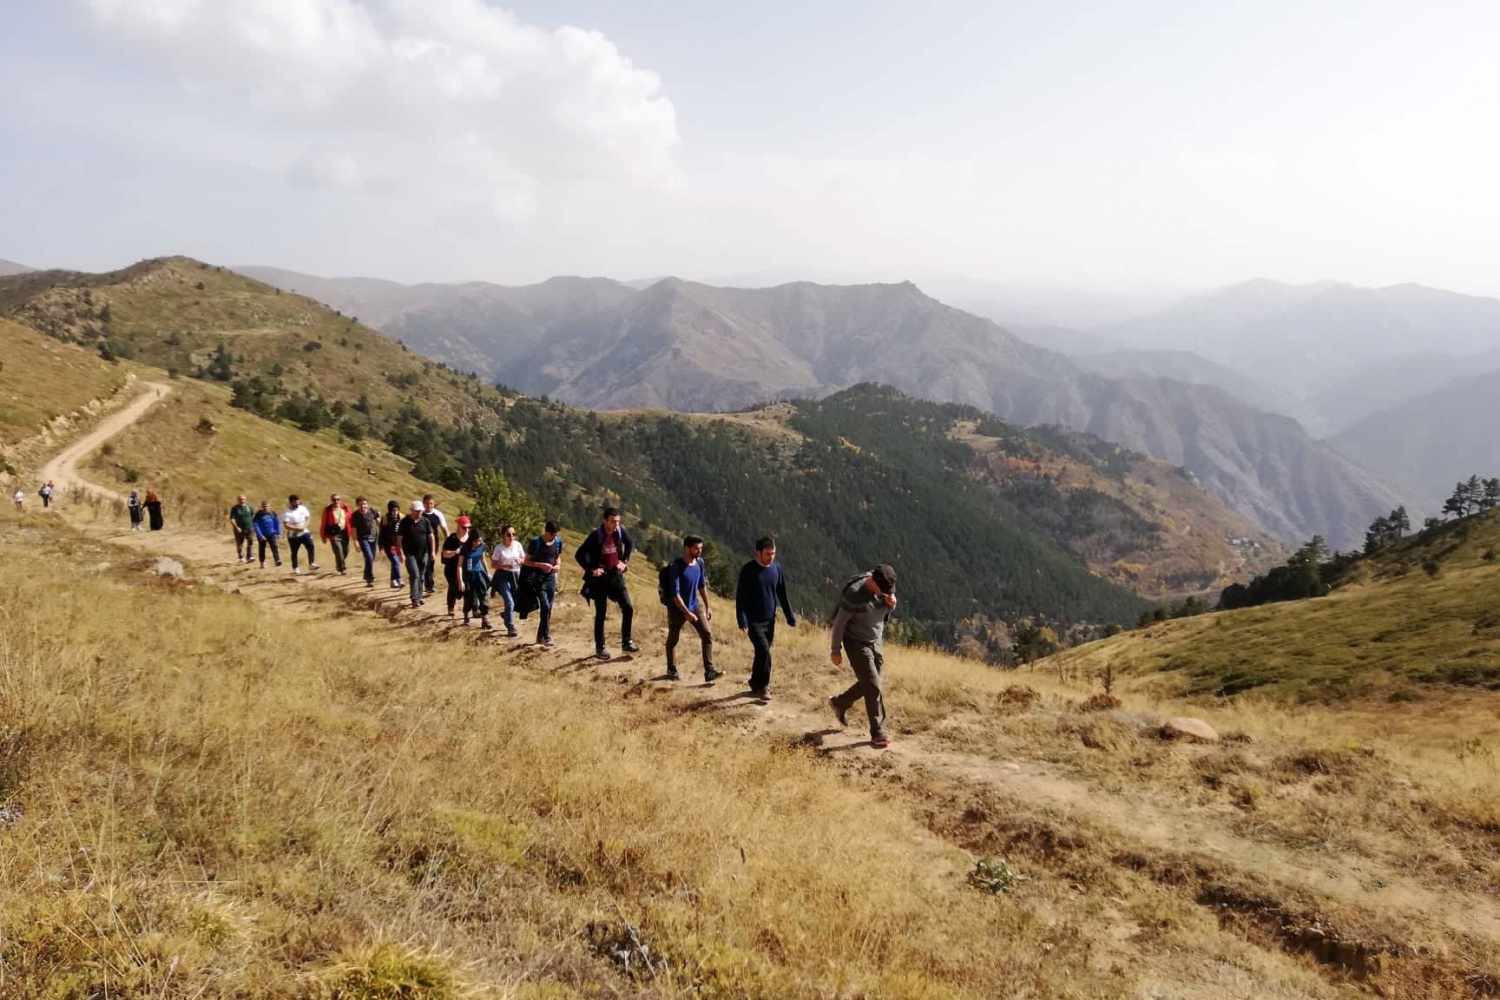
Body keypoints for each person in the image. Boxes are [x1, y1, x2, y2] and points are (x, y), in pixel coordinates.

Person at [827, 565, 898, 750]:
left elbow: (886, 610)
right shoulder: (854, 594)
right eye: (882, 591)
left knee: (871, 682)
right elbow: (839, 625)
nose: (885, 593)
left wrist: (892, 604)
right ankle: (877, 731)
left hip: (875, 640)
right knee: (873, 683)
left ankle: (839, 703)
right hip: (856, 642)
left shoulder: (886, 585)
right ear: (872, 582)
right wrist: (836, 650)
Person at [736, 535, 798, 702]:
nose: (771, 557)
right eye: (767, 554)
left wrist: (790, 616)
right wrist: (742, 620)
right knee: (764, 649)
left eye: (773, 553)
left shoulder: (776, 569)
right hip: (753, 620)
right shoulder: (748, 571)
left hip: (769, 620)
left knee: (761, 653)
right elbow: (740, 598)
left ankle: (754, 682)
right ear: (758, 553)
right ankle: (764, 686)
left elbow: (782, 594)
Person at [575, 506, 638, 660]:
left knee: (628, 607)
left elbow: (629, 544)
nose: (615, 525)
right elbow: (579, 555)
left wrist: (624, 561)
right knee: (601, 613)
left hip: (615, 575)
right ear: (605, 521)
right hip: (600, 579)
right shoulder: (596, 536)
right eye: (612, 521)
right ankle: (600, 646)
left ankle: (626, 641)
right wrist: (591, 570)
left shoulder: (620, 532)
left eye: (617, 522)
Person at [663, 535, 722, 683]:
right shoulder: (676, 567)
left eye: (701, 548)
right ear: (686, 548)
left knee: (707, 635)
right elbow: (675, 594)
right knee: (673, 639)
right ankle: (671, 667)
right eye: (696, 548)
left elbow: (701, 585)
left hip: (695, 605)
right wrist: (686, 612)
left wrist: (708, 606)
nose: (699, 551)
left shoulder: (700, 563)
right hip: (678, 609)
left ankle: (709, 671)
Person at [521, 521, 563, 647]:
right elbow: (526, 561)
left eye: (555, 534)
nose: (554, 537)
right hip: (537, 578)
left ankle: (541, 634)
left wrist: (558, 565)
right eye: (552, 534)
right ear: (546, 532)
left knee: (549, 606)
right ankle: (546, 635)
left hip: (550, 578)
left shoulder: (558, 542)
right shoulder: (536, 542)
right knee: (544, 605)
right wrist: (540, 565)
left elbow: (557, 557)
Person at [394, 500, 436, 609]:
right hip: (410, 553)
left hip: (423, 553)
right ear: (411, 510)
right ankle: (415, 599)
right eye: (417, 511)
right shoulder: (404, 522)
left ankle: (418, 596)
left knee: (421, 576)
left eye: (420, 511)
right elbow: (399, 539)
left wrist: (432, 552)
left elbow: (431, 537)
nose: (419, 513)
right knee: (415, 575)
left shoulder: (425, 521)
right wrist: (401, 554)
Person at [489, 523, 525, 637]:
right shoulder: (499, 548)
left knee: (516, 600)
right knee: (509, 601)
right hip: (503, 576)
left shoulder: (518, 545)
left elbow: (524, 559)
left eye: (513, 534)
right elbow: (493, 564)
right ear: (503, 536)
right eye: (509, 534)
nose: (511, 537)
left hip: (516, 575)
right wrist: (503, 566)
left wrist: (520, 561)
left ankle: (506, 615)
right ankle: (510, 626)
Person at [459, 525, 492, 629]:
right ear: (472, 540)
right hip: (468, 575)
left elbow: (483, 559)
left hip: (479, 574)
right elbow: (459, 565)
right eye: (476, 541)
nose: (478, 543)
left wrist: (487, 573)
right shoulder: (464, 549)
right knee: (469, 597)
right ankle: (466, 616)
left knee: (483, 596)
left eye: (480, 541)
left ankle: (485, 619)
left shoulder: (482, 546)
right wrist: (461, 581)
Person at [440, 517, 470, 618]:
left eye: (468, 528)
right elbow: (444, 554)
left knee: (467, 588)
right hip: (451, 569)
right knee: (454, 587)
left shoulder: (470, 539)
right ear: (459, 527)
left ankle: (472, 608)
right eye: (464, 528)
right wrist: (454, 552)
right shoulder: (452, 539)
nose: (466, 530)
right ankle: (451, 607)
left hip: (465, 568)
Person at [283, 494, 318, 575]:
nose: (297, 503)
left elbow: (308, 517)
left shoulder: (303, 508)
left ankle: (311, 563)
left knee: (310, 545)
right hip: (293, 535)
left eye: (297, 501)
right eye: (294, 502)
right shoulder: (287, 512)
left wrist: (305, 526)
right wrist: (296, 528)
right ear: (291, 502)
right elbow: (286, 525)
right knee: (294, 551)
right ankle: (295, 567)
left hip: (304, 531)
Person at [351, 496, 381, 588]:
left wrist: (384, 530)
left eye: (364, 504)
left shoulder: (372, 511)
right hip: (363, 539)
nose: (363, 506)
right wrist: (356, 543)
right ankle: (370, 579)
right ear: (357, 505)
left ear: (367, 504)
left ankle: (366, 573)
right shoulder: (355, 516)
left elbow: (378, 521)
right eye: (360, 504)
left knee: (371, 559)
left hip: (374, 537)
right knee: (369, 556)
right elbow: (354, 530)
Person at [320, 493, 353, 575]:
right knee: (339, 551)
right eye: (334, 499)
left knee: (346, 551)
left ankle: (339, 563)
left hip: (345, 532)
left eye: (338, 499)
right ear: (331, 501)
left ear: (340, 500)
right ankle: (342, 568)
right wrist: (323, 536)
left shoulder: (345, 508)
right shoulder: (327, 510)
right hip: (334, 534)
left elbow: (351, 520)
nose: (336, 501)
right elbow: (323, 523)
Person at [421, 495, 447, 595]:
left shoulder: (438, 514)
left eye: (431, 503)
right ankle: (426, 584)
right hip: (421, 542)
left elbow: (444, 528)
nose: (429, 505)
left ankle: (429, 585)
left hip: (433, 543)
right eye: (427, 503)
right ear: (423, 503)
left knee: (430, 563)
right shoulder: (420, 513)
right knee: (424, 563)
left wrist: (449, 541)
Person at [377, 500, 403, 589]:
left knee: (394, 563)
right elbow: (381, 533)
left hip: (398, 545)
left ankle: (393, 581)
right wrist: (380, 546)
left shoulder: (401, 518)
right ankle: (399, 578)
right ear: (390, 510)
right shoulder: (385, 519)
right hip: (388, 545)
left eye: (397, 510)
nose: (396, 512)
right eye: (394, 510)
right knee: (395, 562)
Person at [252, 500, 283, 568]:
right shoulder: (258, 514)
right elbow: (256, 525)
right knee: (262, 548)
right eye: (264, 506)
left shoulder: (273, 514)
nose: (266, 508)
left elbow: (277, 523)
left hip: (271, 533)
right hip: (262, 534)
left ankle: (277, 560)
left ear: (269, 506)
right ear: (262, 507)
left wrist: (279, 533)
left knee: (274, 546)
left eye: (267, 506)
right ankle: (262, 562)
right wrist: (260, 535)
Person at [228, 495, 256, 563]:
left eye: (243, 499)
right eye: (240, 499)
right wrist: (236, 527)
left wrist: (252, 524)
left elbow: (253, 515)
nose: (242, 501)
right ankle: (241, 557)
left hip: (249, 528)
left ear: (246, 500)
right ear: (238, 500)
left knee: (250, 542)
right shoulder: (235, 508)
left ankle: (250, 556)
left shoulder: (249, 507)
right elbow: (232, 519)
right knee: (239, 544)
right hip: (239, 529)